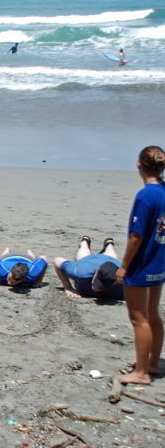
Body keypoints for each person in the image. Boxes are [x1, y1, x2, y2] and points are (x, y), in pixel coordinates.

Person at [116, 146, 165, 385]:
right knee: (153, 314)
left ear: (139, 165)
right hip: (159, 260)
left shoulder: (145, 196)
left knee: (139, 318)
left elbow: (136, 236)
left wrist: (124, 265)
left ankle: (142, 372)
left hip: (143, 262)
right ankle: (153, 363)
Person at [53, 236, 122, 299]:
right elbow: (57, 261)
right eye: (100, 284)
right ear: (96, 273)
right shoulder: (82, 272)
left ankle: (109, 244)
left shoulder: (123, 284)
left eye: (106, 285)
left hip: (112, 262)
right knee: (84, 254)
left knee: (111, 257)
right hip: (89, 260)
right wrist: (68, 287)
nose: (99, 289)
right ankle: (85, 241)